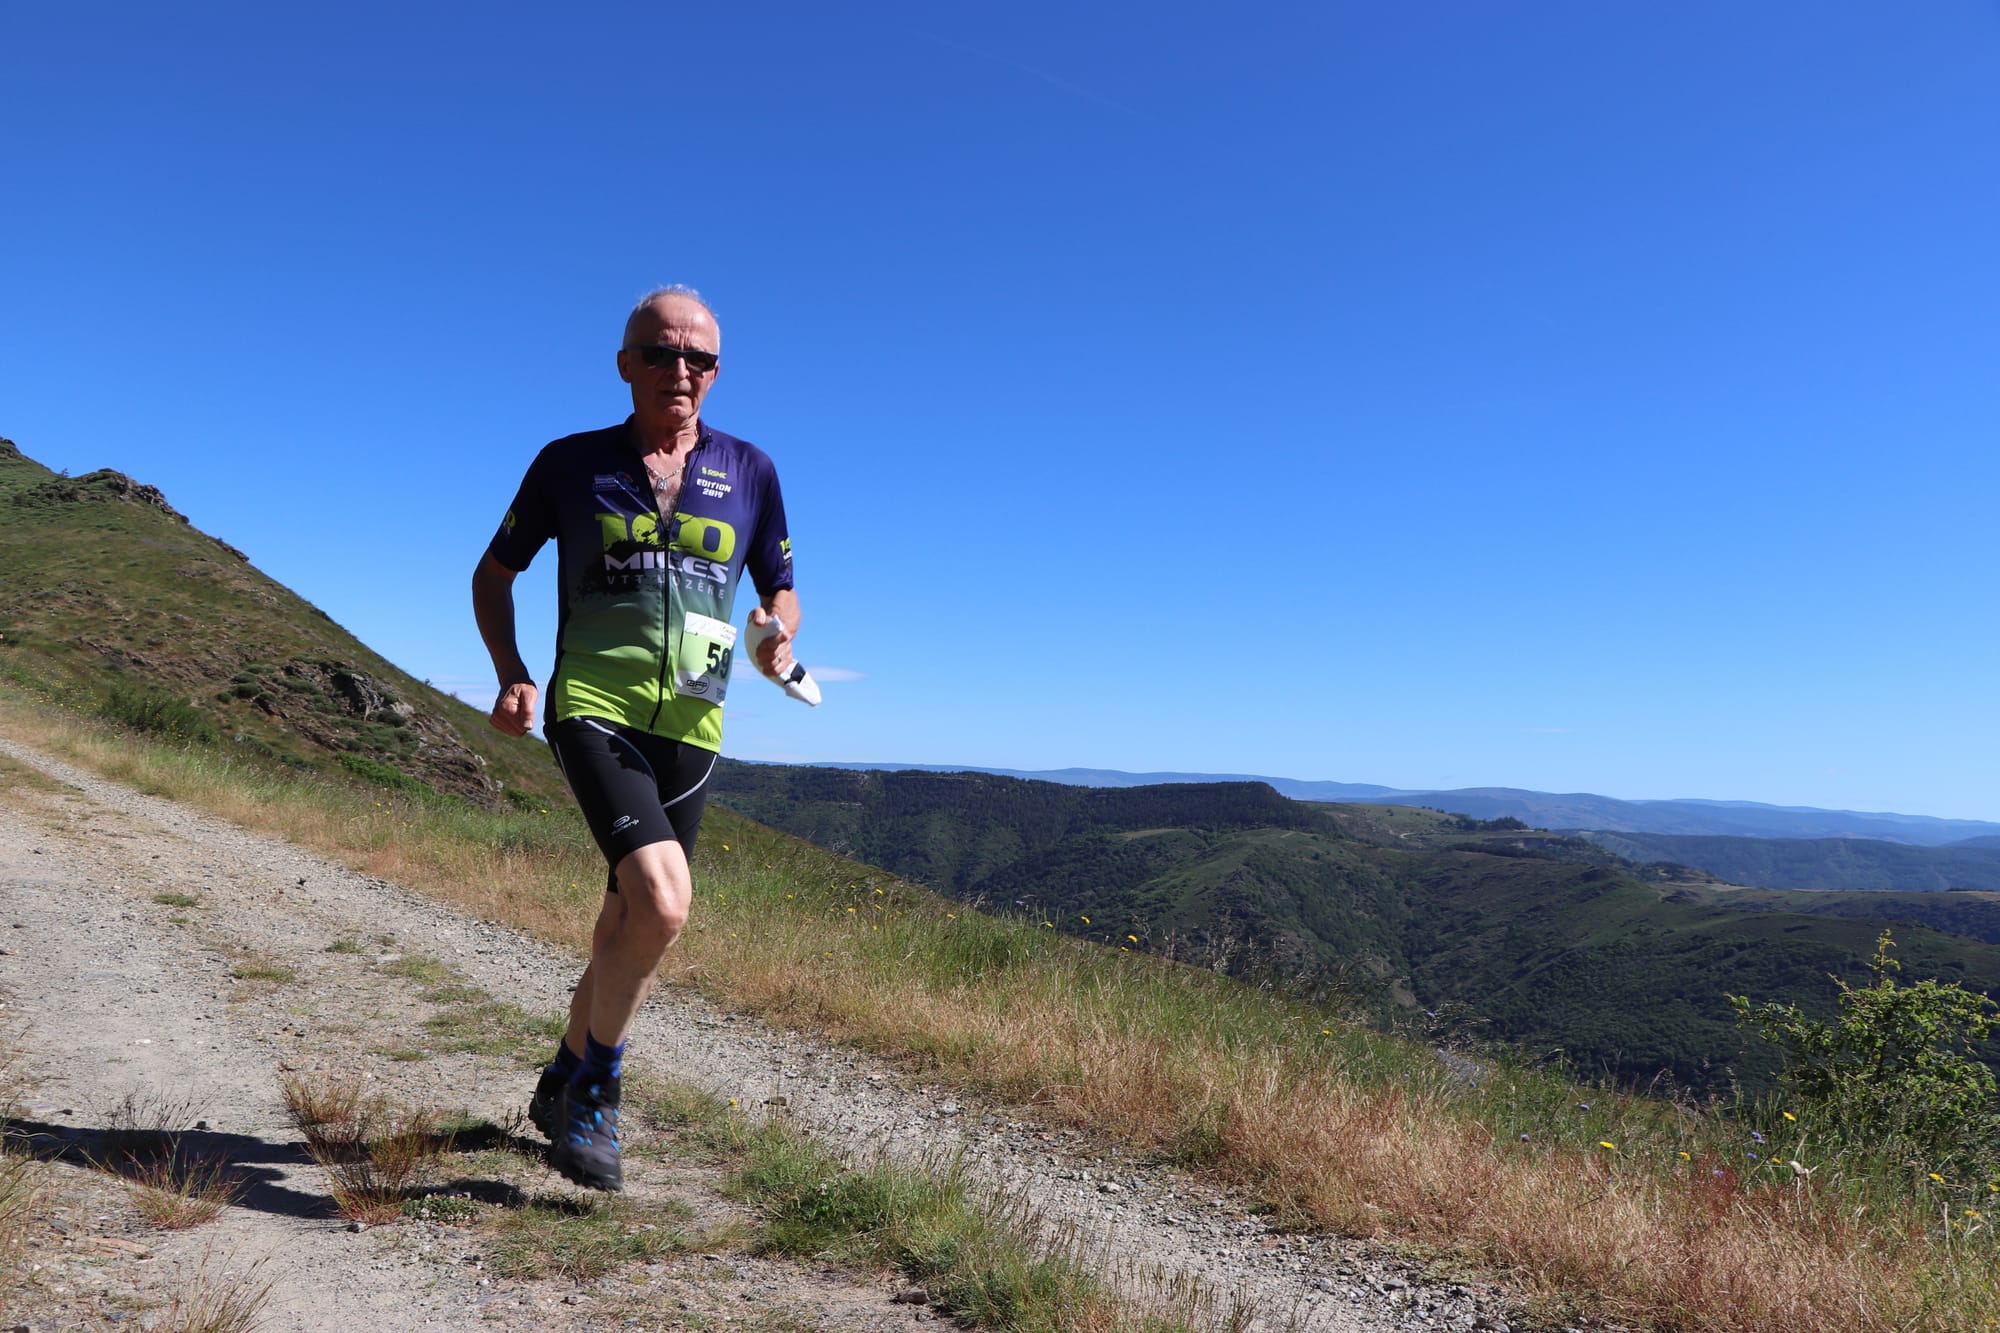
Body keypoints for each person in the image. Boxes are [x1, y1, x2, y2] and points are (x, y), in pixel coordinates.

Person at [471, 285, 801, 1191]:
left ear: (717, 372)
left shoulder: (753, 470)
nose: (680, 370)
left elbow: (780, 584)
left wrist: (780, 628)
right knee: (662, 903)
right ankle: (597, 1090)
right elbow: (492, 575)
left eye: (699, 358)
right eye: (661, 352)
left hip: (695, 724)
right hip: (595, 707)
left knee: (626, 919)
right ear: (624, 362)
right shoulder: (569, 464)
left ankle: (557, 1077)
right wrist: (511, 671)